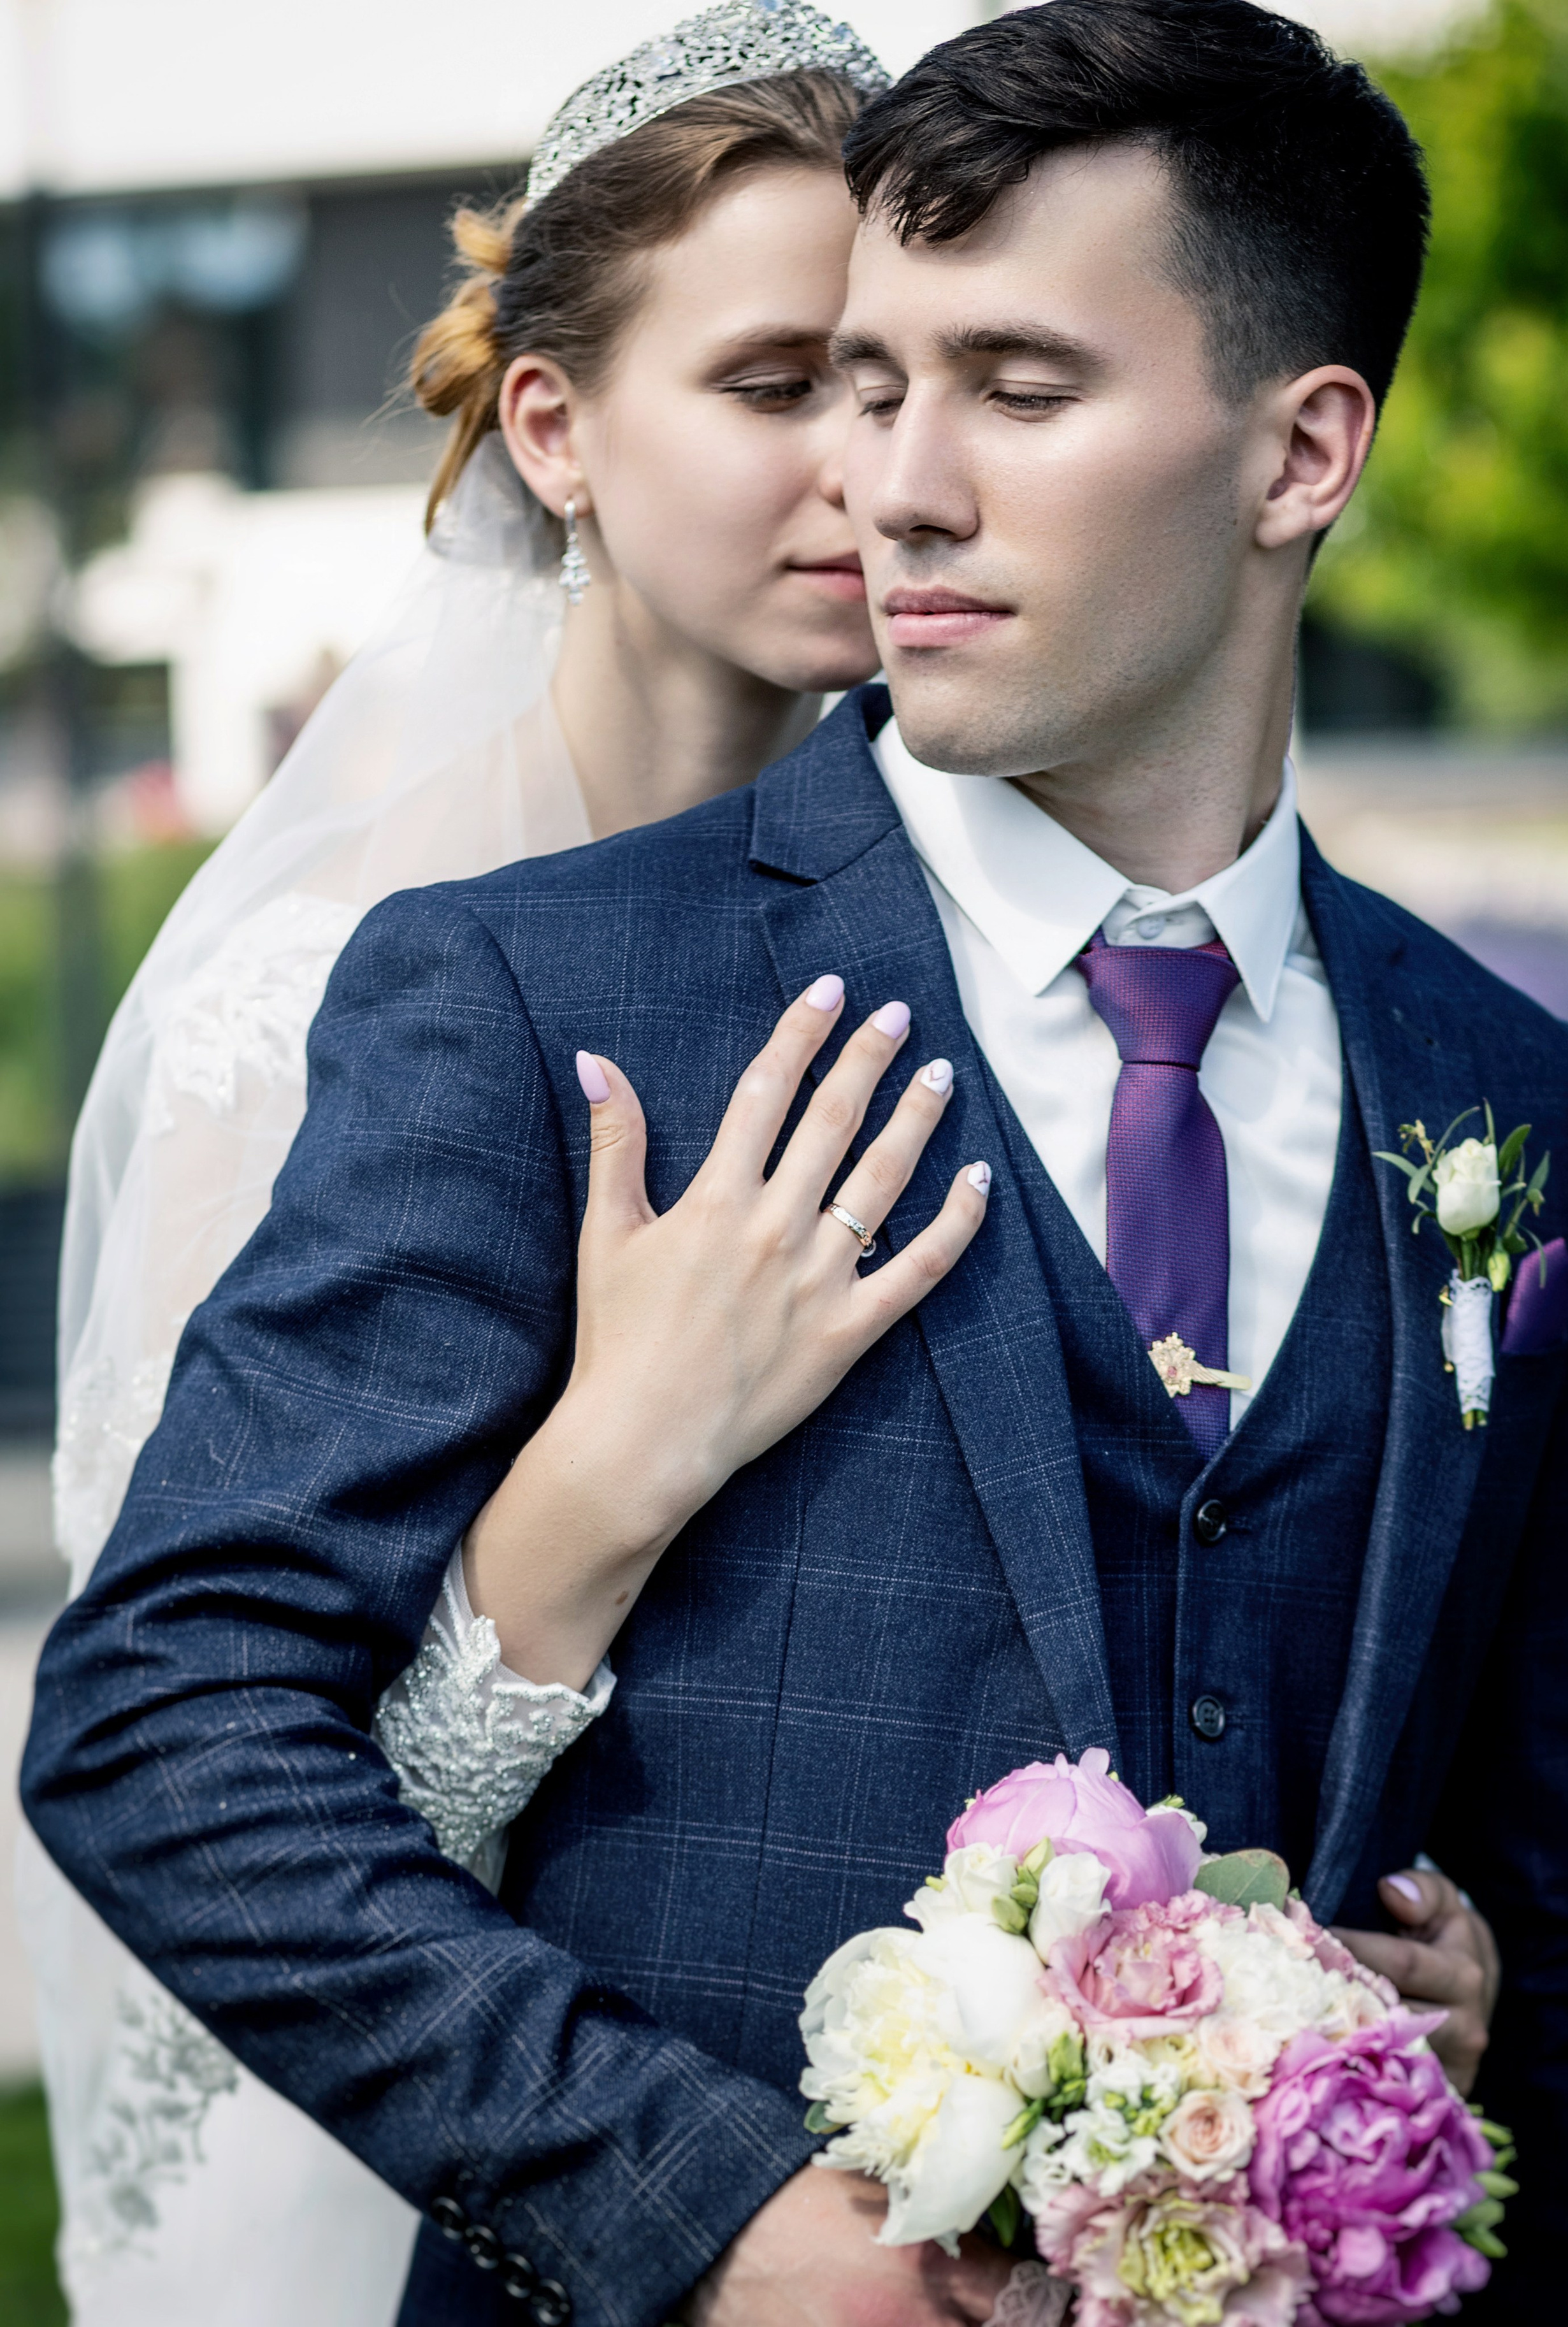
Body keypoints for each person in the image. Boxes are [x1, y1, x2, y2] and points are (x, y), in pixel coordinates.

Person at [27, 3, 1568, 2324]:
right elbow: (169, 1731)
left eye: (1021, 390)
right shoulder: (526, 994)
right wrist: (698, 2213)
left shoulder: (1517, 1094)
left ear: (1303, 452)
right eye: (863, 383)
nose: (896, 486)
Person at [20, 10, 893, 2323]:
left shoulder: (933, 925)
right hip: (380, 2130)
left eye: (898, 384)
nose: (864, 465)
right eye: (776, 381)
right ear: (556, 425)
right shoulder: (308, 989)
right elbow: (200, 1758)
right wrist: (598, 1479)